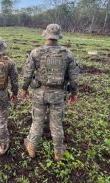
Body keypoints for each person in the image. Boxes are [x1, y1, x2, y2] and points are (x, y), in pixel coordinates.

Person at [22, 24, 79, 161]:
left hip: (39, 93)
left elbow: (27, 74)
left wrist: (24, 89)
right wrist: (74, 93)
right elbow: (74, 78)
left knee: (37, 121)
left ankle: (32, 147)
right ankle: (58, 152)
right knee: (57, 123)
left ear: (45, 35)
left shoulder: (36, 52)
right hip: (59, 94)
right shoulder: (68, 54)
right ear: (58, 36)